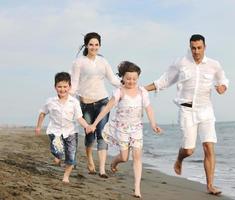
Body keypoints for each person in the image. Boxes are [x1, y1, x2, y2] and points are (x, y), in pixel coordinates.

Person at [145, 34, 229, 195]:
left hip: (206, 110)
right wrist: (142, 89)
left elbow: (223, 80)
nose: (196, 51)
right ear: (189, 47)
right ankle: (180, 158)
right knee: (189, 150)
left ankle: (210, 185)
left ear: (205, 47)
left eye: (199, 48)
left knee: (208, 146)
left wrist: (222, 88)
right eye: (193, 48)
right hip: (186, 110)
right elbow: (164, 81)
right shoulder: (181, 63)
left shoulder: (213, 65)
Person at [87, 61, 162, 198]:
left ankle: (137, 189)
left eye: (134, 79)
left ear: (138, 78)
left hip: (136, 129)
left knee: (137, 157)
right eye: (128, 78)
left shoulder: (142, 92)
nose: (131, 81)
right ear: (122, 77)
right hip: (122, 129)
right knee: (124, 157)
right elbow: (107, 108)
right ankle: (115, 162)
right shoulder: (119, 92)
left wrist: (153, 124)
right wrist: (94, 124)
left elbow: (149, 108)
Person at [70, 32, 121, 178]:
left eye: (96, 44)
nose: (94, 47)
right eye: (91, 44)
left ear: (100, 46)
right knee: (89, 135)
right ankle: (89, 159)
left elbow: (113, 79)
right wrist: (67, 98)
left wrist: (126, 83)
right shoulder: (79, 62)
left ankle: (102, 170)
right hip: (85, 104)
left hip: (102, 102)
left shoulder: (103, 61)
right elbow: (74, 84)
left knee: (102, 135)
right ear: (86, 45)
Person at [35, 72, 90, 183]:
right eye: (59, 86)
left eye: (65, 86)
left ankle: (66, 176)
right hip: (55, 132)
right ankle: (58, 156)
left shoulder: (74, 102)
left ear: (69, 87)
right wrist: (38, 127)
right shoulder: (50, 101)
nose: (62, 89)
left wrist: (87, 126)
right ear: (55, 87)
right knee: (58, 153)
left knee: (71, 155)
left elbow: (79, 118)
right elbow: (42, 113)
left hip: (71, 132)